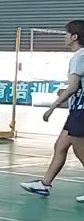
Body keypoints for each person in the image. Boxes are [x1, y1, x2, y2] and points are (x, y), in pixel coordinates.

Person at [20, 20, 84, 201]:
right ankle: (44, 184)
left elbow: (73, 87)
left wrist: (53, 107)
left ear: (75, 36)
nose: (65, 37)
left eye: (67, 34)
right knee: (60, 146)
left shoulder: (79, 57)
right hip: (77, 110)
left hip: (80, 111)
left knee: (80, 151)